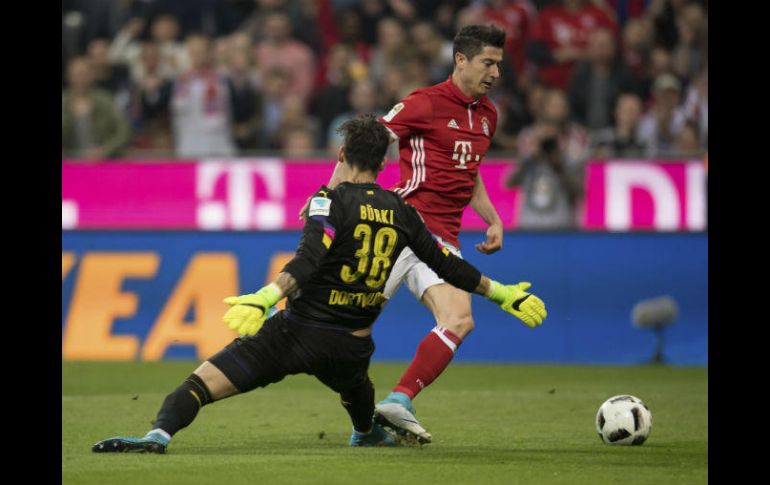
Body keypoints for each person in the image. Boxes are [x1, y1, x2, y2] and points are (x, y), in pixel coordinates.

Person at [92, 115, 547, 454]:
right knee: (360, 402)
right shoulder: (404, 212)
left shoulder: (328, 202)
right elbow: (447, 265)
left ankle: (159, 434)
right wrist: (502, 293)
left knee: (200, 384)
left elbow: (308, 260)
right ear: (384, 163)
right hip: (350, 348)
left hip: (295, 335)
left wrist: (267, 296)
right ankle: (365, 431)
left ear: (342, 156)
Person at [301, 24, 518, 443]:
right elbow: (363, 144)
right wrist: (327, 196)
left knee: (456, 320)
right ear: (461, 60)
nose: (495, 73)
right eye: (488, 63)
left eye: (499, 65)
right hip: (403, 227)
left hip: (440, 238)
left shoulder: (487, 115)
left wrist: (492, 218)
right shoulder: (425, 102)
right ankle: (370, 414)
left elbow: (469, 173)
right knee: (348, 330)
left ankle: (395, 403)